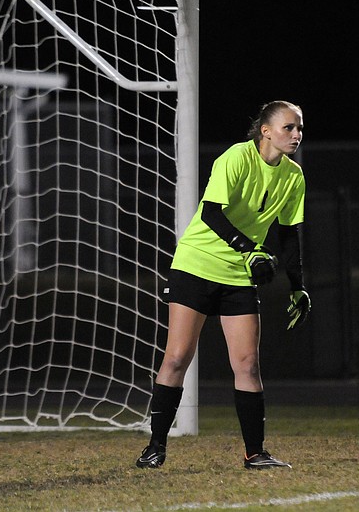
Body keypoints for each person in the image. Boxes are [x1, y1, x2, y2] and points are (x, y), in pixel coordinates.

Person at [136, 100, 311, 470]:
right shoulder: (236, 157)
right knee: (177, 357)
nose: (296, 135)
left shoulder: (294, 176)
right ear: (265, 130)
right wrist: (250, 251)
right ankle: (154, 447)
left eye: (299, 128)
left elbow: (290, 234)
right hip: (196, 266)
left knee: (248, 364)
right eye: (288, 128)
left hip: (238, 274)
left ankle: (255, 453)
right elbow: (212, 212)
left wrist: (298, 286)